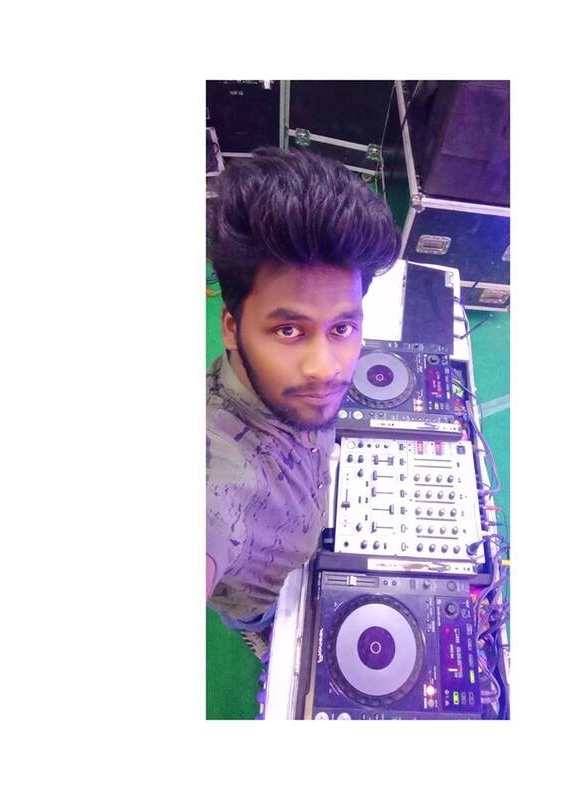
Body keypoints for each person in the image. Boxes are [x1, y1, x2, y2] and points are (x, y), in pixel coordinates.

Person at [206, 147, 400, 658]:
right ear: (231, 327)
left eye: (342, 328)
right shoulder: (213, 463)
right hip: (258, 595)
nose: (326, 367)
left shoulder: (302, 385)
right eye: (289, 330)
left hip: (306, 533)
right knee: (262, 622)